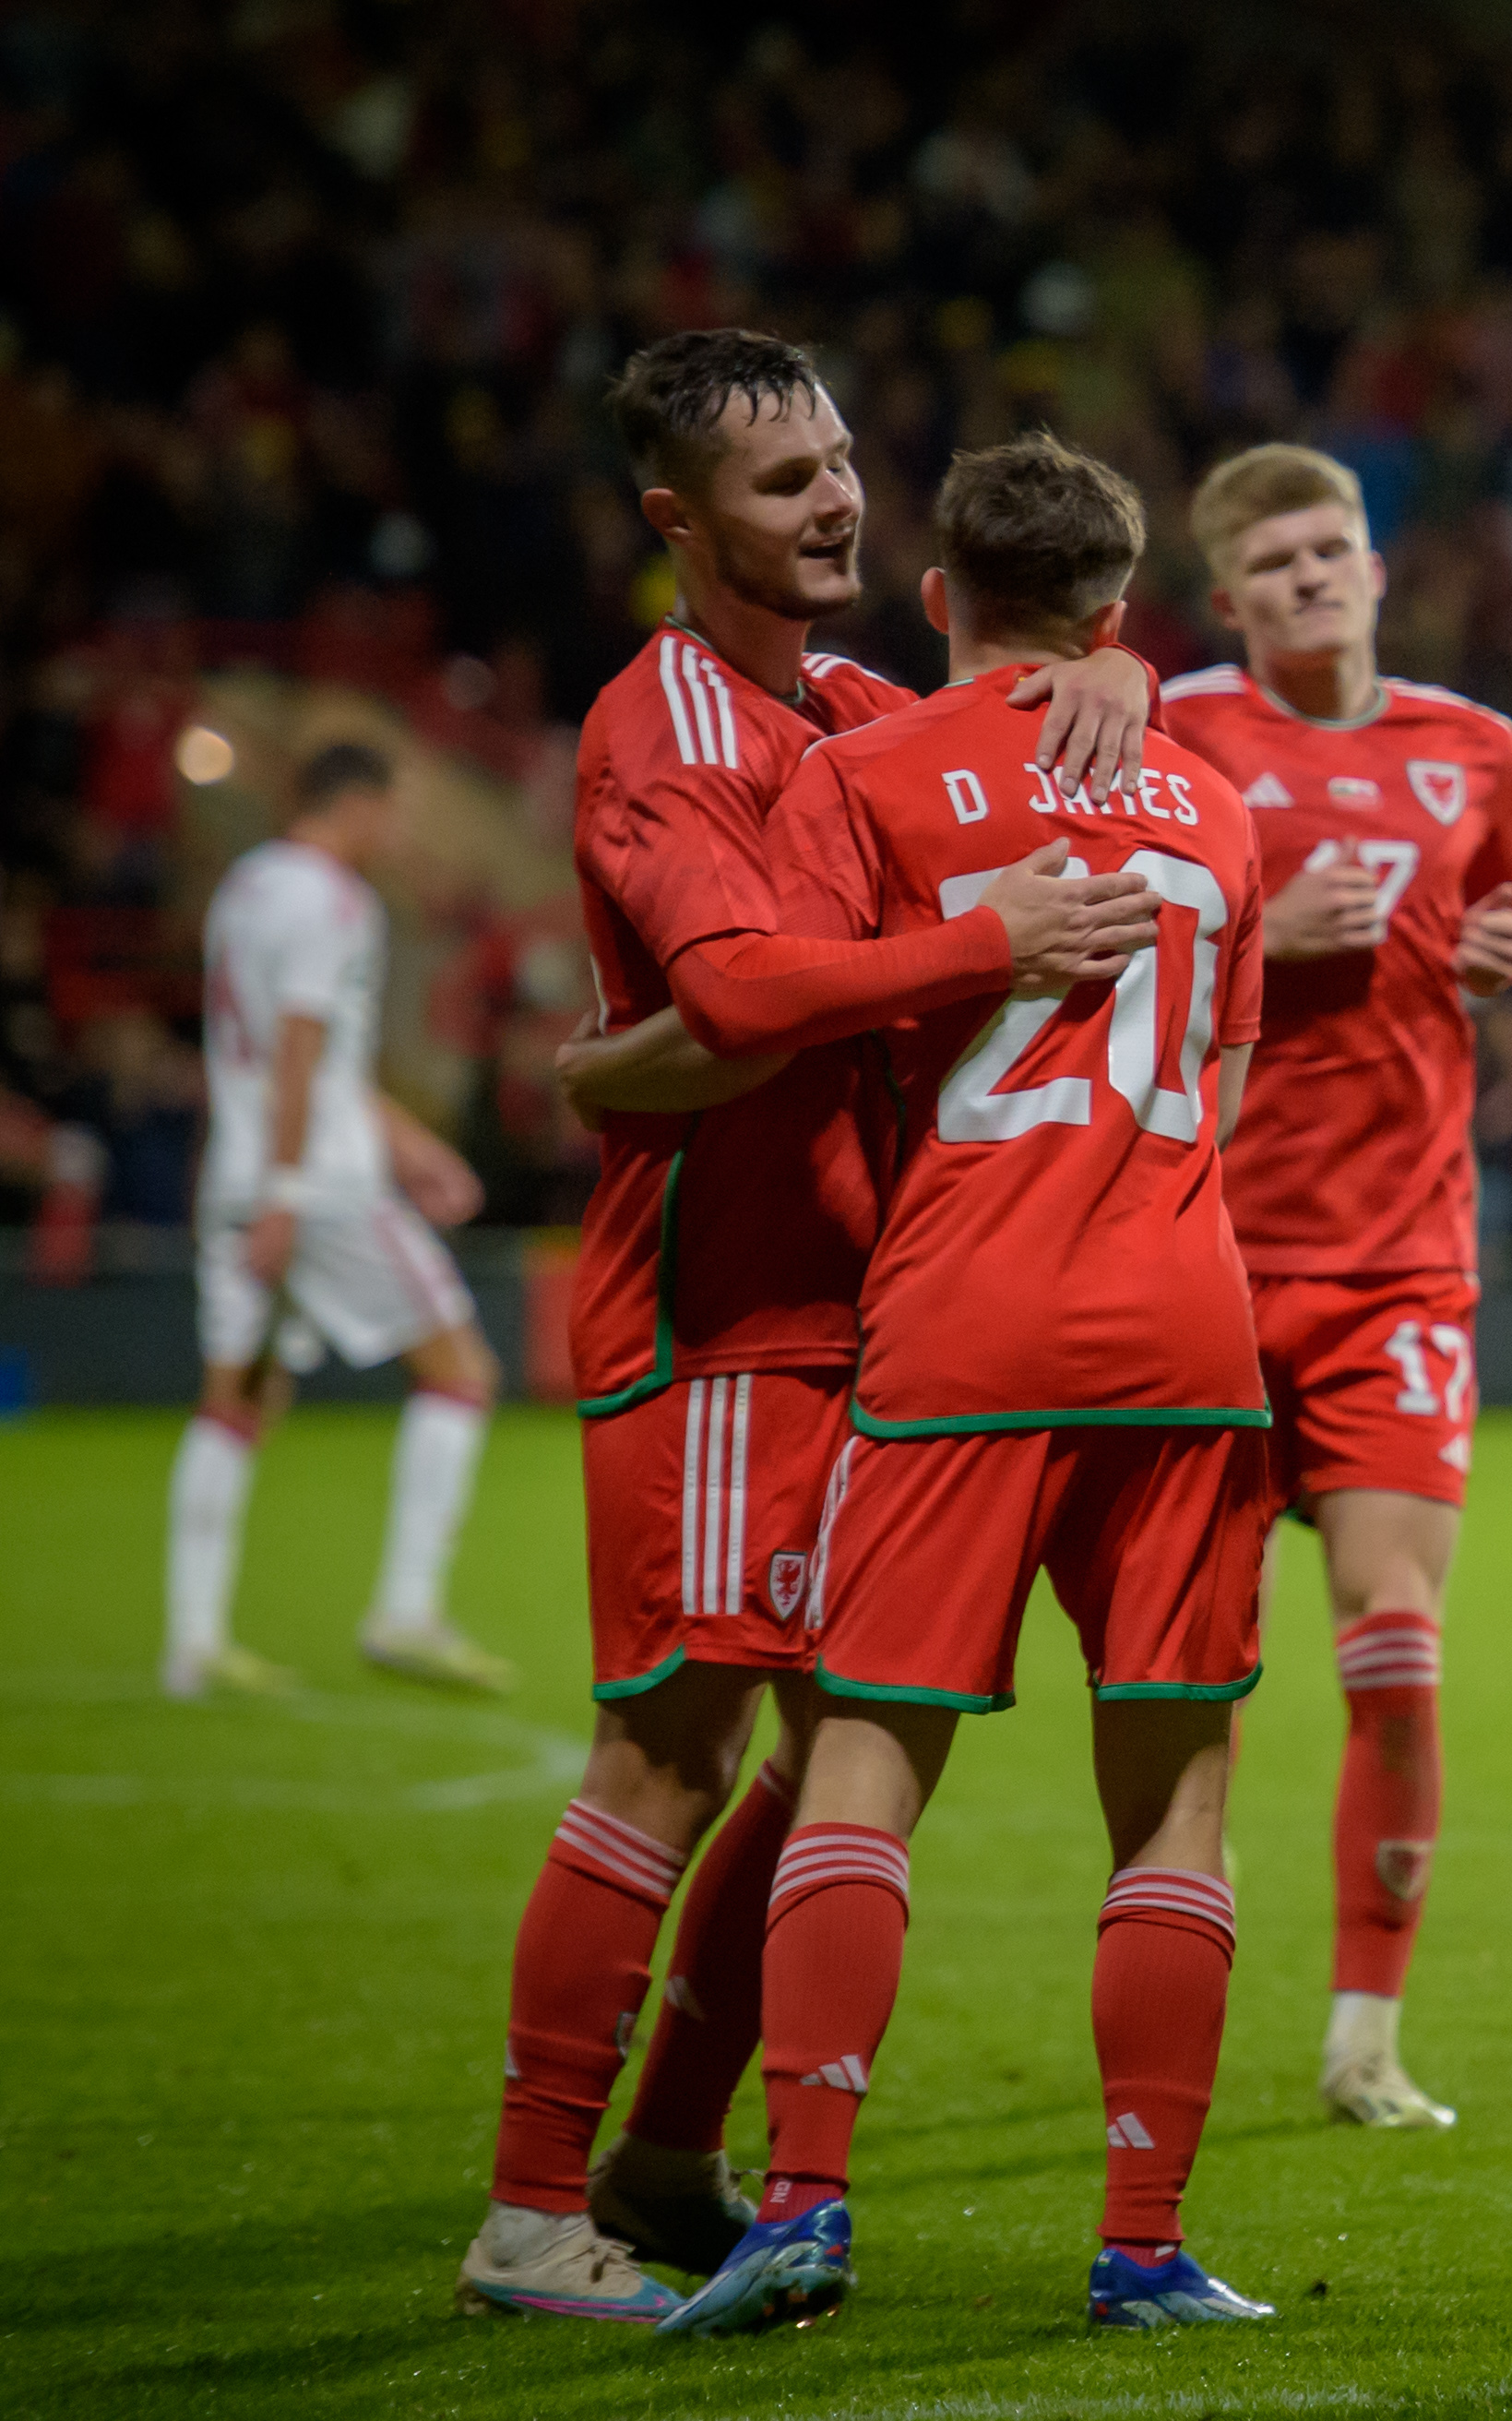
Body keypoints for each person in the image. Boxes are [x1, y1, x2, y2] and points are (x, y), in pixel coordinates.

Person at [458, 328, 1162, 2325]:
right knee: (669, 1749)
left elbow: (1045, 720)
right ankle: (524, 2212)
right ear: (677, 520)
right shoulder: (661, 730)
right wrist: (980, 939)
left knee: (842, 1748)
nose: (839, 501)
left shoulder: (853, 697)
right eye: (785, 484)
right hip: (729, 1318)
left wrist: (1113, 662)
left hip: (880, 1314)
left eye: (844, 462)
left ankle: (671, 2144)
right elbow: (753, 998)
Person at [664, 432, 1276, 2338]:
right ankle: (1145, 2243)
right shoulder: (1212, 804)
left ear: (939, 598)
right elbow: (1232, 1094)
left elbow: (763, 1010)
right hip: (1184, 1331)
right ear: (1117, 615)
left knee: (864, 1760)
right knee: (1174, 1794)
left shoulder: (866, 771)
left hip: (958, 1324)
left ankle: (805, 2205)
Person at [1154, 443, 1512, 2129]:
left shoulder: (1475, 748)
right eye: (1278, 561)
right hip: (1202, 1257)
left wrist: (1504, 949)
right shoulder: (1168, 729)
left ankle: (1363, 2037)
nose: (1313, 576)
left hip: (1400, 1263)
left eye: (1335, 549)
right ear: (1229, 599)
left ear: (1378, 568)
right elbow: (1097, 937)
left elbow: (1508, 903)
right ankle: (1165, 2010)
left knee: (1394, 1639)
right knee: (1187, 1680)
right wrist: (1255, 924)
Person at [170, 739, 511, 1702]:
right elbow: (300, 1046)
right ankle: (406, 1608)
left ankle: (192, 1643)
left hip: (239, 1172)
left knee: (235, 1399)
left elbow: (295, 1057)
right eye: (391, 809)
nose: (395, 831)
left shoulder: (244, 888)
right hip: (315, 1184)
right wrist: (290, 1190)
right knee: (462, 1373)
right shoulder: (332, 900)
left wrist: (408, 1144)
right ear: (355, 804)